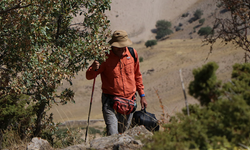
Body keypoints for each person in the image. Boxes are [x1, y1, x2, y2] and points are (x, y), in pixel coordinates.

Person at [86, 30, 147, 135]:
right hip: (110, 102)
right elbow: (89, 76)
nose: (121, 49)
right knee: (113, 134)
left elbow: (137, 75)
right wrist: (93, 68)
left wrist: (142, 95)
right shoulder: (104, 57)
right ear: (112, 45)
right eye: (118, 46)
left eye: (123, 46)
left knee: (124, 133)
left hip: (129, 102)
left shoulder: (132, 53)